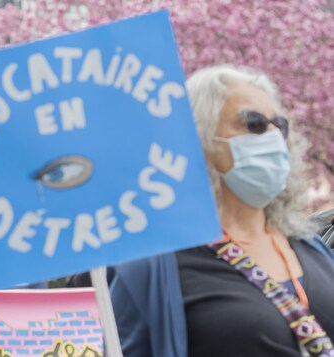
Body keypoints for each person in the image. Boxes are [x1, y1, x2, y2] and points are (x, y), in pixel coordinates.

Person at [109, 64, 334, 357]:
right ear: (197, 139)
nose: (272, 136)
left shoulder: (310, 244)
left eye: (278, 125)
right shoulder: (154, 266)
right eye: (253, 123)